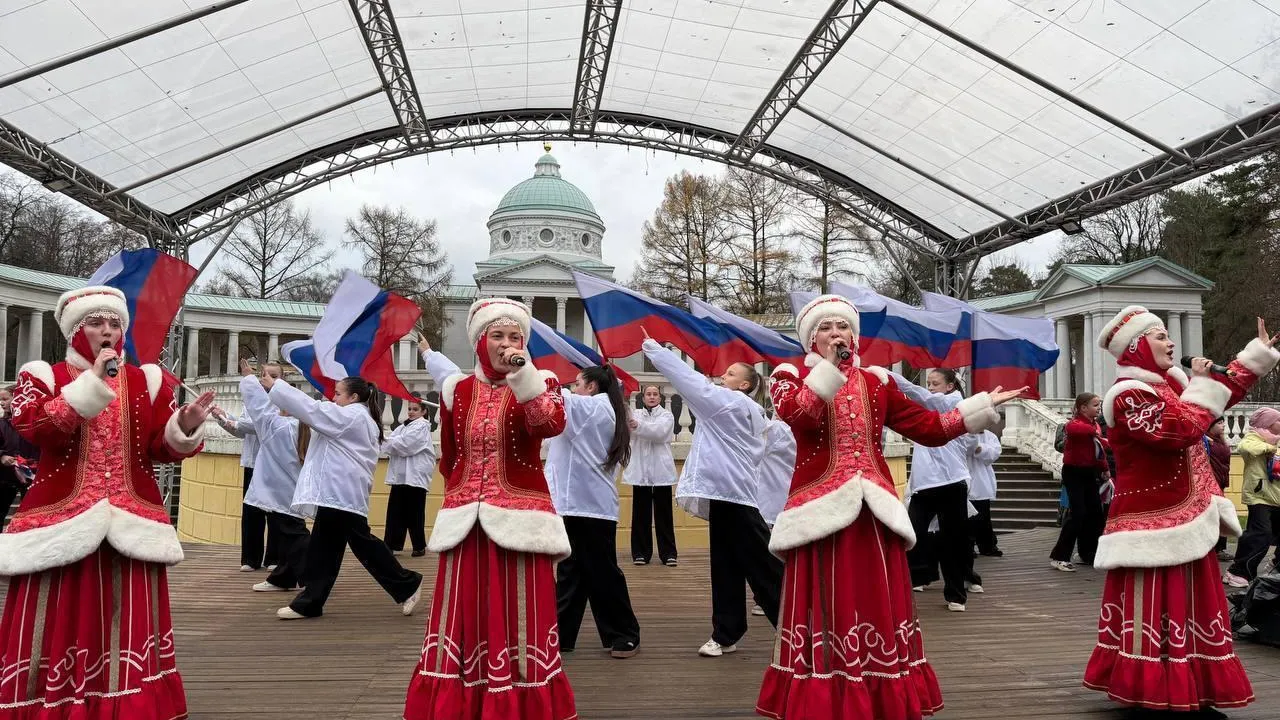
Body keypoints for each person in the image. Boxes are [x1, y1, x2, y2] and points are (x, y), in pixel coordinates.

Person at [758, 294, 1019, 720]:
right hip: (820, 512)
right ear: (810, 339)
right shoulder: (789, 376)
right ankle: (826, 694)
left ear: (855, 335)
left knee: (875, 598)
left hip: (874, 511)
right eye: (825, 327)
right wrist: (830, 369)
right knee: (829, 600)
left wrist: (981, 407)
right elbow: (800, 415)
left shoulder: (877, 382)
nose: (836, 333)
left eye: (843, 326)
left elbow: (929, 427)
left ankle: (878, 693)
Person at [0, 285, 212, 719]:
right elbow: (36, 428)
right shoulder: (43, 376)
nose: (108, 330)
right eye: (96, 323)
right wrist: (92, 383)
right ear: (75, 332)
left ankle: (125, 703)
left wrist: (184, 427)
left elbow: (158, 449)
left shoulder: (146, 380)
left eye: (115, 323)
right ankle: (55, 703)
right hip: (61, 524)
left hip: (131, 521)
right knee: (59, 616)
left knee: (126, 619)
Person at [1083, 307, 1279, 712]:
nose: (1171, 342)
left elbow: (1210, 404)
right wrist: (1203, 383)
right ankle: (1151, 687)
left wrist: (1253, 357)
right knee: (1153, 603)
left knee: (1191, 603)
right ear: (1135, 347)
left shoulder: (1169, 388)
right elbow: (1180, 429)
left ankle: (1189, 683)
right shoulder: (1128, 395)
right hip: (1151, 522)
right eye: (1159, 336)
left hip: (1186, 515)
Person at [404, 299, 576, 720]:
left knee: (520, 616)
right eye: (497, 336)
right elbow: (449, 456)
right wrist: (461, 497)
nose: (506, 344)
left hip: (522, 527)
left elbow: (550, 424)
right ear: (480, 341)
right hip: (466, 523)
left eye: (514, 337)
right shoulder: (456, 390)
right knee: (463, 615)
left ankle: (521, 702)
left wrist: (523, 375)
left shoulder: (543, 382)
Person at [642, 332, 783, 658]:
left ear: (744, 385)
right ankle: (726, 632)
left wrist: (655, 349)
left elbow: (690, 382)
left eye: (731, 374)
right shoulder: (738, 409)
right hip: (725, 495)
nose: (723, 376)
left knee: (763, 567)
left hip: (733, 496)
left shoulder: (731, 403)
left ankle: (796, 628)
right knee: (726, 566)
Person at [264, 373, 423, 620]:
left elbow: (312, 410)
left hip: (341, 494)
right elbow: (315, 413)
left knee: (359, 544)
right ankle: (310, 602)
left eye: (338, 394)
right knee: (325, 548)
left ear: (354, 397)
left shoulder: (351, 416)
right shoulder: (356, 416)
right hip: (337, 494)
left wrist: (277, 386)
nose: (334, 398)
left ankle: (407, 584)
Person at [547, 364, 642, 659]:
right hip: (575, 504)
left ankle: (624, 633)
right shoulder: (596, 409)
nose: (573, 388)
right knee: (571, 570)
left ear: (591, 387)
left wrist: (535, 374)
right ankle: (562, 634)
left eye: (578, 383)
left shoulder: (596, 408)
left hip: (590, 506)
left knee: (602, 572)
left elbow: (555, 395)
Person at [892, 368, 981, 611]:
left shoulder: (955, 405)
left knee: (952, 541)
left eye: (935, 383)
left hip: (951, 483)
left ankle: (956, 595)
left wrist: (887, 375)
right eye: (929, 383)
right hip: (923, 486)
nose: (930, 388)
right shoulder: (927, 411)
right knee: (910, 536)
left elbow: (921, 395)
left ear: (950, 386)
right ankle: (911, 582)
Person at [230, 359, 311, 593]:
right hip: (288, 490)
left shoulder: (279, 427)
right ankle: (285, 577)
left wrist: (249, 378)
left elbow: (259, 407)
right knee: (289, 534)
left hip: (280, 492)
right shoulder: (298, 426)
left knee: (294, 535)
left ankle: (309, 575)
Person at [213, 390, 277, 572]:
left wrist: (234, 422)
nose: (266, 380)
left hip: (273, 463)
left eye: (273, 376)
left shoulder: (280, 400)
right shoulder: (250, 401)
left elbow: (263, 424)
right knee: (251, 511)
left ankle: (275, 557)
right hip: (252, 463)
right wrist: (223, 418)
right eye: (263, 377)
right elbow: (242, 432)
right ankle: (250, 558)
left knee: (275, 511)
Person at [1049, 393, 1110, 571]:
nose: (1098, 408)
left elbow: (1098, 451)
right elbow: (1074, 429)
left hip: (1089, 472)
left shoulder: (1094, 425)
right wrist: (1096, 434)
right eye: (1095, 405)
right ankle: (1059, 557)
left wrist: (1104, 468)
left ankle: (1087, 553)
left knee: (1095, 513)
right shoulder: (1075, 424)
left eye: (1099, 405)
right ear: (1083, 408)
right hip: (1073, 472)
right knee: (1077, 513)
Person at [1223, 407, 1280, 587]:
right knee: (1260, 534)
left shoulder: (1277, 440)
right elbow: (1244, 447)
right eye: (1277, 420)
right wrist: (1269, 448)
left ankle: (1276, 564)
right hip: (1259, 496)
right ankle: (1237, 572)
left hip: (1276, 496)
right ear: (1268, 423)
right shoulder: (1253, 438)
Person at [623, 384, 678, 566]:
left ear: (660, 398)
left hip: (661, 471)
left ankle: (668, 553)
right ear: (643, 397)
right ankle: (640, 553)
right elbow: (628, 430)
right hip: (641, 471)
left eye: (655, 394)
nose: (652, 397)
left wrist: (638, 426)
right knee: (640, 514)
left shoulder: (667, 416)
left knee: (664, 514)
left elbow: (659, 433)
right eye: (648, 394)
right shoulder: (636, 414)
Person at [381, 396, 435, 557]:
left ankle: (419, 545)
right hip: (401, 476)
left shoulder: (421, 427)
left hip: (415, 476)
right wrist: (392, 443)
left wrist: (390, 443)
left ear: (423, 412)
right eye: (409, 409)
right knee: (395, 511)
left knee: (414, 512)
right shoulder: (403, 427)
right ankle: (391, 544)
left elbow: (405, 446)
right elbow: (393, 442)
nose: (411, 412)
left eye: (415, 409)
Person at [0, 386, 37, 531]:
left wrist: (33, 461)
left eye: (5, 399)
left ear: (17, 398)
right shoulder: (1, 424)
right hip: (5, 478)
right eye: (0, 400)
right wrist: (2, 456)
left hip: (29, 476)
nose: (1, 403)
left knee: (31, 516)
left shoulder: (32, 423)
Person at [967, 427, 1003, 558]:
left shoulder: (990, 436)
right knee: (967, 520)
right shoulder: (963, 435)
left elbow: (994, 453)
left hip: (981, 481)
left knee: (983, 517)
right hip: (965, 478)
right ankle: (968, 547)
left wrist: (979, 448)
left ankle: (987, 546)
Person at [1204, 417, 1234, 562]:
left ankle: (1219, 549)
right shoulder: (1205, 441)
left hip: (1220, 483)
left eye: (1223, 422)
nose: (1223, 425)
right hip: (1209, 483)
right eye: (1219, 423)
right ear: (1210, 425)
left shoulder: (1221, 442)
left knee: (1221, 516)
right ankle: (1212, 549)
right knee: (1213, 516)